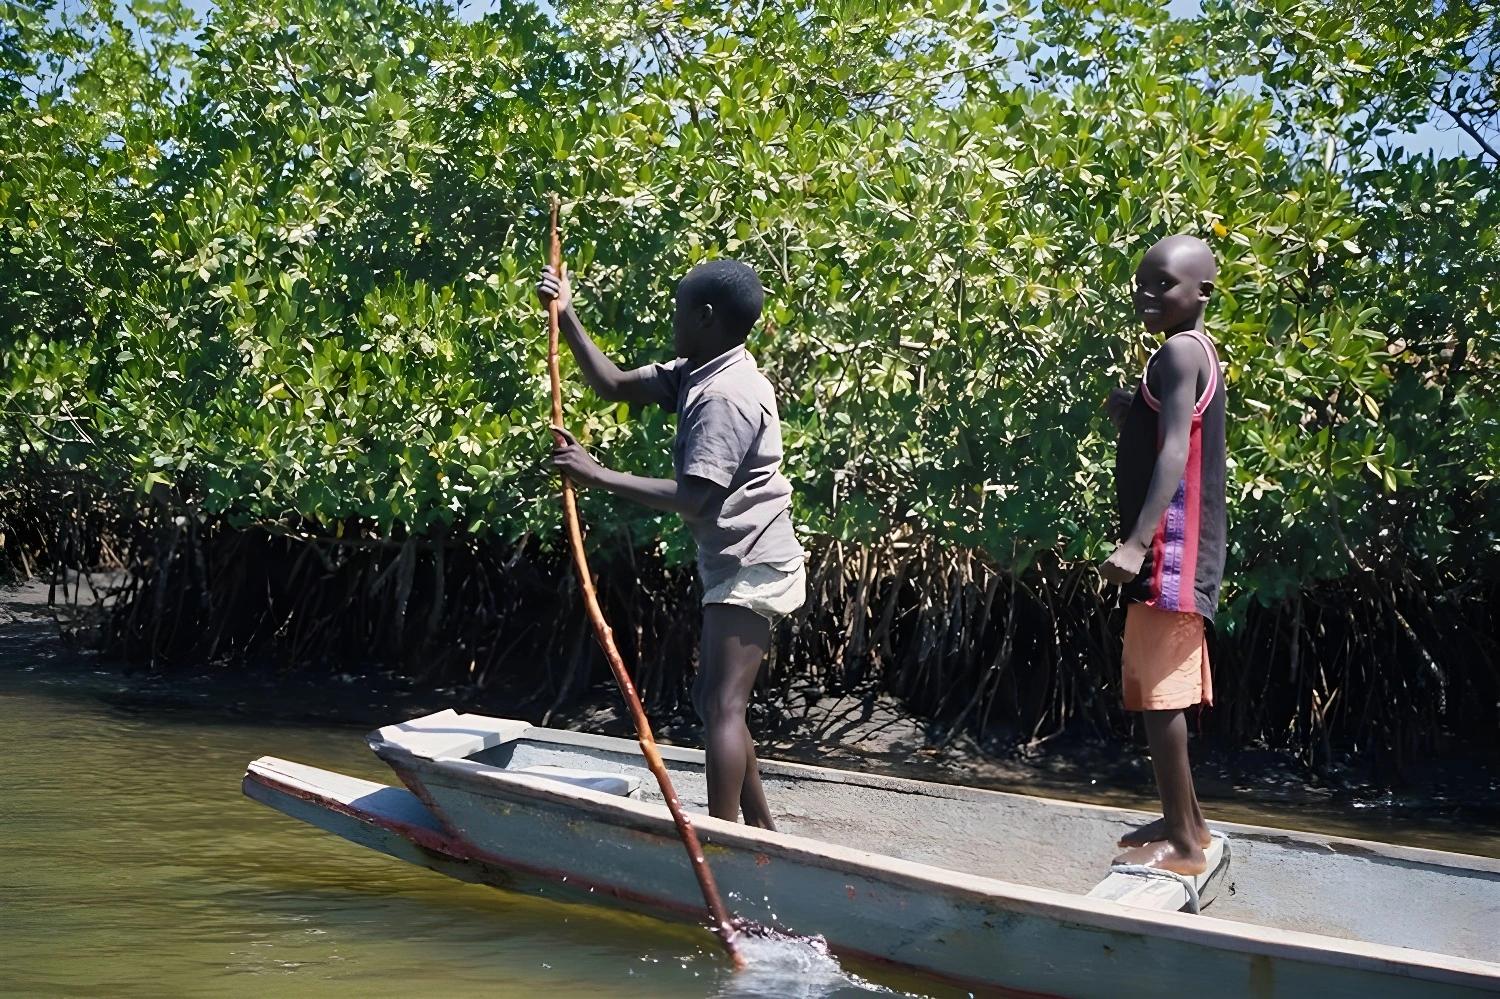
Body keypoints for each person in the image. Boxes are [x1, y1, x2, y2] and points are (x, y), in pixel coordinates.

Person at [538, 258, 804, 830]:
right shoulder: (698, 370)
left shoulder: (724, 395)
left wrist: (596, 474)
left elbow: (696, 499)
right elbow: (611, 384)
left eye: (679, 308)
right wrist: (567, 317)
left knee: (722, 706)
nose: (672, 317)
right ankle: (762, 834)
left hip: (755, 560)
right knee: (716, 701)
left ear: (705, 318)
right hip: (736, 559)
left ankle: (724, 840)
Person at [1100, 234, 1227, 875]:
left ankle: (1181, 843)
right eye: (1142, 283)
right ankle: (1191, 821)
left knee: (1160, 699)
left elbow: (1177, 450)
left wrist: (1135, 542)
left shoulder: (1179, 351)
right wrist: (1135, 411)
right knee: (1160, 692)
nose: (1147, 295)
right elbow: (1173, 426)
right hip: (1179, 552)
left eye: (1164, 285)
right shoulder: (1191, 349)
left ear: (1201, 293)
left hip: (1170, 553)